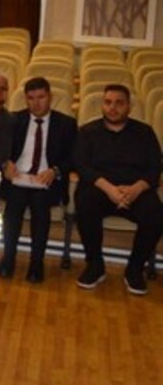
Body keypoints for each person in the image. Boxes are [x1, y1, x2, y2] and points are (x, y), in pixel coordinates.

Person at [73, 84, 162, 295]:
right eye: (108, 102)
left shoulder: (145, 132)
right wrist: (109, 189)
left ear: (129, 107)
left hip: (135, 191)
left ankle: (135, 269)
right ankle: (95, 264)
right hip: (101, 189)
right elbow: (82, 166)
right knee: (84, 203)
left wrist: (137, 188)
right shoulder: (87, 131)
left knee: (156, 214)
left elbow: (155, 167)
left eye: (119, 103)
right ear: (102, 105)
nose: (113, 108)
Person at [0, 77, 76, 283]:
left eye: (41, 97)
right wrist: (6, 163)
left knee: (41, 209)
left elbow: (73, 158)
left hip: (45, 180)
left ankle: (36, 263)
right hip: (18, 177)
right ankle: (8, 258)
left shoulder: (66, 124)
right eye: (31, 98)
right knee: (13, 208)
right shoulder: (14, 120)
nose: (36, 103)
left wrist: (55, 171)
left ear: (50, 97)